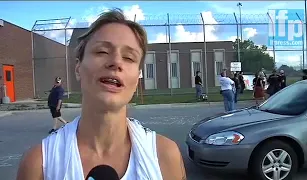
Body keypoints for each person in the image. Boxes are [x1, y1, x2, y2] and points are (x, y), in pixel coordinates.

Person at [16, 9, 186, 180]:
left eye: (128, 57)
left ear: (137, 78)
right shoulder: (39, 165)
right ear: (78, 68)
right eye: (102, 52)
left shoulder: (166, 157)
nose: (116, 62)